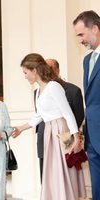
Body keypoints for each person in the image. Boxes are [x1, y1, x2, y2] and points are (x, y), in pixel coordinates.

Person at [12, 53, 86, 200]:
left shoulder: (53, 86)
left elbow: (68, 113)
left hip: (61, 131)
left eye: (25, 73)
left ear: (34, 70)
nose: (25, 76)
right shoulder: (39, 91)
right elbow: (39, 116)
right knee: (53, 170)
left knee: (65, 170)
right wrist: (21, 128)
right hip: (49, 132)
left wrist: (76, 137)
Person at [35, 59, 84, 182]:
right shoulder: (37, 91)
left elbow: (78, 116)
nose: (47, 71)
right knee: (46, 179)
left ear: (57, 70)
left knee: (66, 179)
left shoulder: (74, 91)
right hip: (44, 139)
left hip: (65, 140)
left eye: (50, 68)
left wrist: (70, 138)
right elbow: (40, 114)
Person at [73, 10, 100, 200]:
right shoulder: (86, 61)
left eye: (81, 34)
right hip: (93, 135)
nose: (80, 40)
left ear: (95, 29)